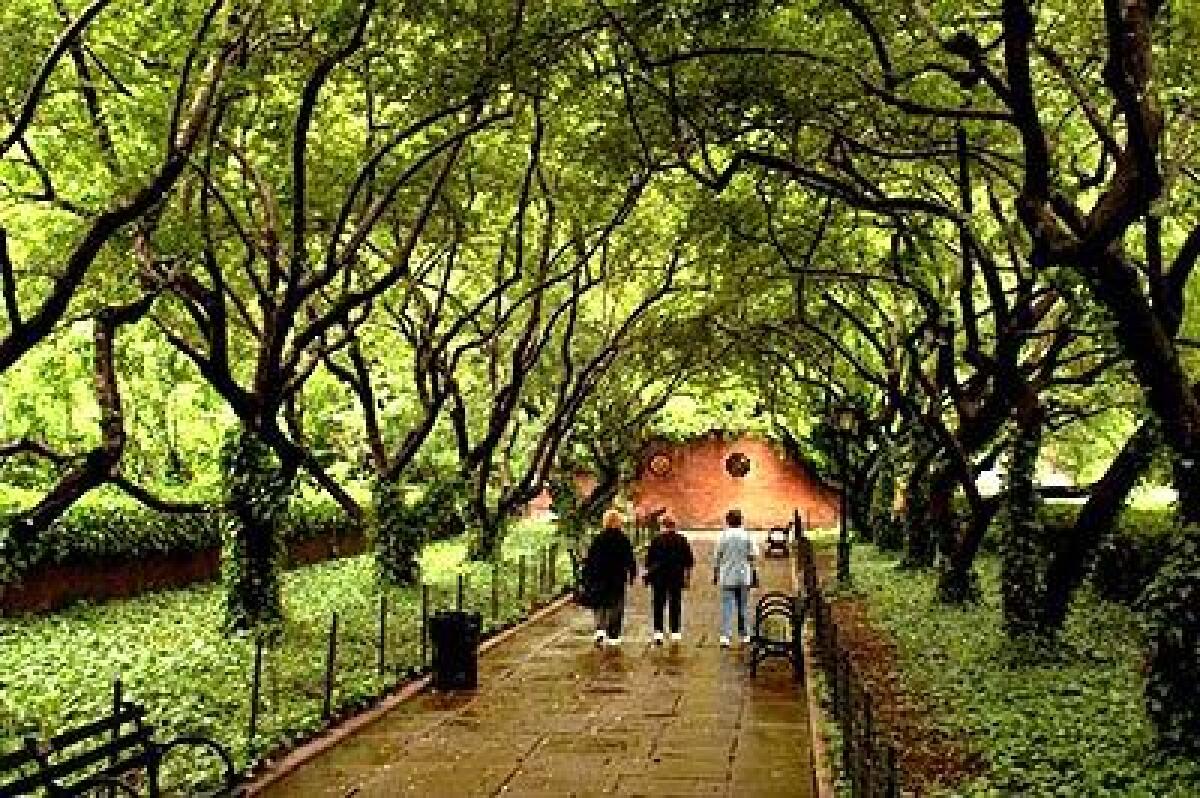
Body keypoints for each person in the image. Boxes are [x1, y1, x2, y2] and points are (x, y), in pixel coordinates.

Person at [583, 508, 637, 647]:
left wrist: (586, 577)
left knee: (600, 602)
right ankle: (614, 634)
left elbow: (590, 559)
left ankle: (600, 629)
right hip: (617, 577)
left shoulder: (599, 539)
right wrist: (632, 574)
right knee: (616, 604)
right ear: (619, 522)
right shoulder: (623, 539)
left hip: (599, 576)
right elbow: (630, 558)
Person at [643, 513, 695, 645]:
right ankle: (675, 632)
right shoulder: (682, 540)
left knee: (658, 604)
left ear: (662, 525)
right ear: (674, 525)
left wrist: (647, 574)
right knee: (675, 604)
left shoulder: (656, 540)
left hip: (659, 577)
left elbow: (648, 561)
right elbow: (689, 561)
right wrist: (687, 578)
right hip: (676, 577)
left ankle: (658, 632)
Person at [714, 508, 759, 648]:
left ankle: (725, 636)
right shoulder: (747, 536)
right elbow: (754, 555)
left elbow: (717, 557)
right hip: (743, 575)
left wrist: (715, 573)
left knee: (727, 606)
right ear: (741, 521)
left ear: (728, 521)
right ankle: (744, 634)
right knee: (743, 606)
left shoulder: (723, 536)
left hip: (727, 575)